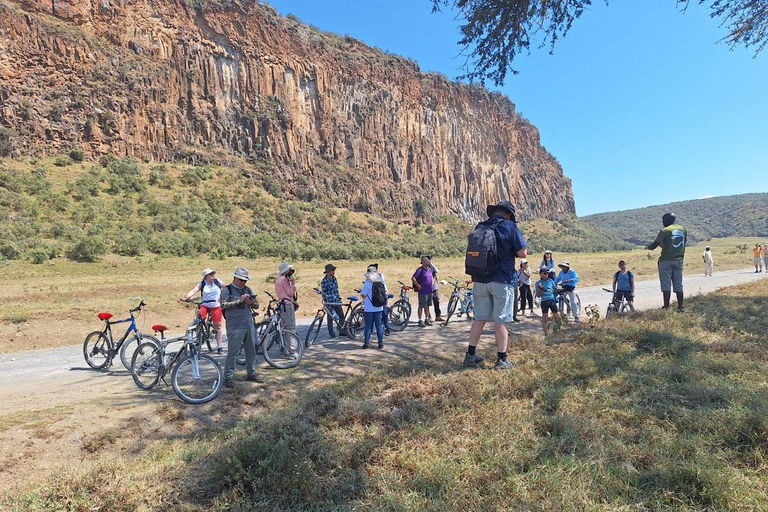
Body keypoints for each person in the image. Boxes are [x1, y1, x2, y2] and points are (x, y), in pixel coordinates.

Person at [463, 200, 527, 370]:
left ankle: (470, 355)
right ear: (508, 214)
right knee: (501, 320)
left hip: (479, 279)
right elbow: (522, 253)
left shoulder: (480, 226)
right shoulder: (509, 226)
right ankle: (501, 360)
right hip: (502, 280)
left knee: (479, 318)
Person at [220, 267, 261, 388]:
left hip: (248, 323)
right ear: (234, 278)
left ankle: (251, 373)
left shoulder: (248, 289)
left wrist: (251, 302)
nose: (243, 282)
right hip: (235, 325)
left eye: (245, 280)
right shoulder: (227, 290)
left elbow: (257, 305)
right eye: (241, 280)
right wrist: (239, 301)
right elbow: (223, 305)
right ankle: (228, 377)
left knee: (251, 350)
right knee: (233, 352)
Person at [647, 212, 687, 312]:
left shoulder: (664, 231)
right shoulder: (683, 230)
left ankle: (666, 306)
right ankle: (680, 306)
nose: (662, 222)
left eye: (663, 220)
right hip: (679, 260)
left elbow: (653, 246)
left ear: (667, 220)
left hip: (665, 261)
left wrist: (648, 247)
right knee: (678, 284)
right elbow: (678, 244)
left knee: (666, 284)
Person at [180, 268, 225, 353]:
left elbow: (226, 287)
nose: (213, 275)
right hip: (204, 305)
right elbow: (194, 290)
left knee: (218, 325)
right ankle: (200, 333)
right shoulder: (202, 284)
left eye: (213, 274)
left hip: (216, 305)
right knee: (200, 319)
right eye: (211, 274)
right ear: (206, 276)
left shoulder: (217, 281)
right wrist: (186, 297)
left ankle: (219, 346)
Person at [360, 265, 385, 349]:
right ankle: (380, 343)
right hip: (379, 307)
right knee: (379, 325)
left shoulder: (367, 283)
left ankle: (366, 343)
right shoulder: (381, 282)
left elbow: (363, 295)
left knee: (368, 325)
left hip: (369, 308)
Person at [320, 263, 344, 339]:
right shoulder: (324, 281)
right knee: (330, 318)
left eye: (334, 270)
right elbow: (324, 293)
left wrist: (339, 299)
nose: (334, 271)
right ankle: (331, 333)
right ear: (328, 271)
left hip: (336, 300)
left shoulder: (334, 278)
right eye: (332, 270)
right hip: (330, 301)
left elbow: (336, 290)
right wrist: (327, 304)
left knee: (341, 316)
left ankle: (341, 330)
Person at [535, 267, 561, 336]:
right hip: (544, 301)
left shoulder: (550, 281)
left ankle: (558, 331)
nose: (546, 275)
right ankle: (546, 334)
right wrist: (540, 289)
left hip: (552, 300)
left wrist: (556, 291)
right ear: (540, 274)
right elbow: (538, 295)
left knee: (558, 317)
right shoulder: (538, 283)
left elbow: (555, 288)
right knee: (545, 318)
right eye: (545, 273)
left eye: (547, 273)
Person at [368, 263, 392, 335]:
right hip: (375, 297)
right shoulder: (371, 277)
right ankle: (371, 329)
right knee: (374, 313)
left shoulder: (380, 276)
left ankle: (387, 328)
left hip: (382, 296)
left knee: (384, 313)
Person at [275, 262, 298, 334]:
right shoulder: (284, 280)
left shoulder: (278, 280)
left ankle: (286, 344)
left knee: (284, 327)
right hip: (287, 305)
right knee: (291, 327)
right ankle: (292, 344)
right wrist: (293, 284)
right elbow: (290, 293)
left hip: (282, 304)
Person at [412, 255, 434, 326]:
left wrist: (432, 282)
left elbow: (432, 277)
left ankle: (427, 319)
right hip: (423, 291)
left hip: (429, 290)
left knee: (427, 305)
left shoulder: (429, 269)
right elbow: (413, 278)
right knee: (421, 305)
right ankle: (420, 320)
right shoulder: (420, 270)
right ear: (423, 262)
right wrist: (418, 285)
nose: (428, 262)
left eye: (428, 260)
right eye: (427, 261)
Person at [428, 256, 444, 322]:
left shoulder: (432, 267)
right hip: (427, 287)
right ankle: (428, 317)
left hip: (434, 287)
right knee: (427, 303)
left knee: (436, 301)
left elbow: (436, 270)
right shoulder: (423, 269)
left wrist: (430, 263)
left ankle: (438, 316)